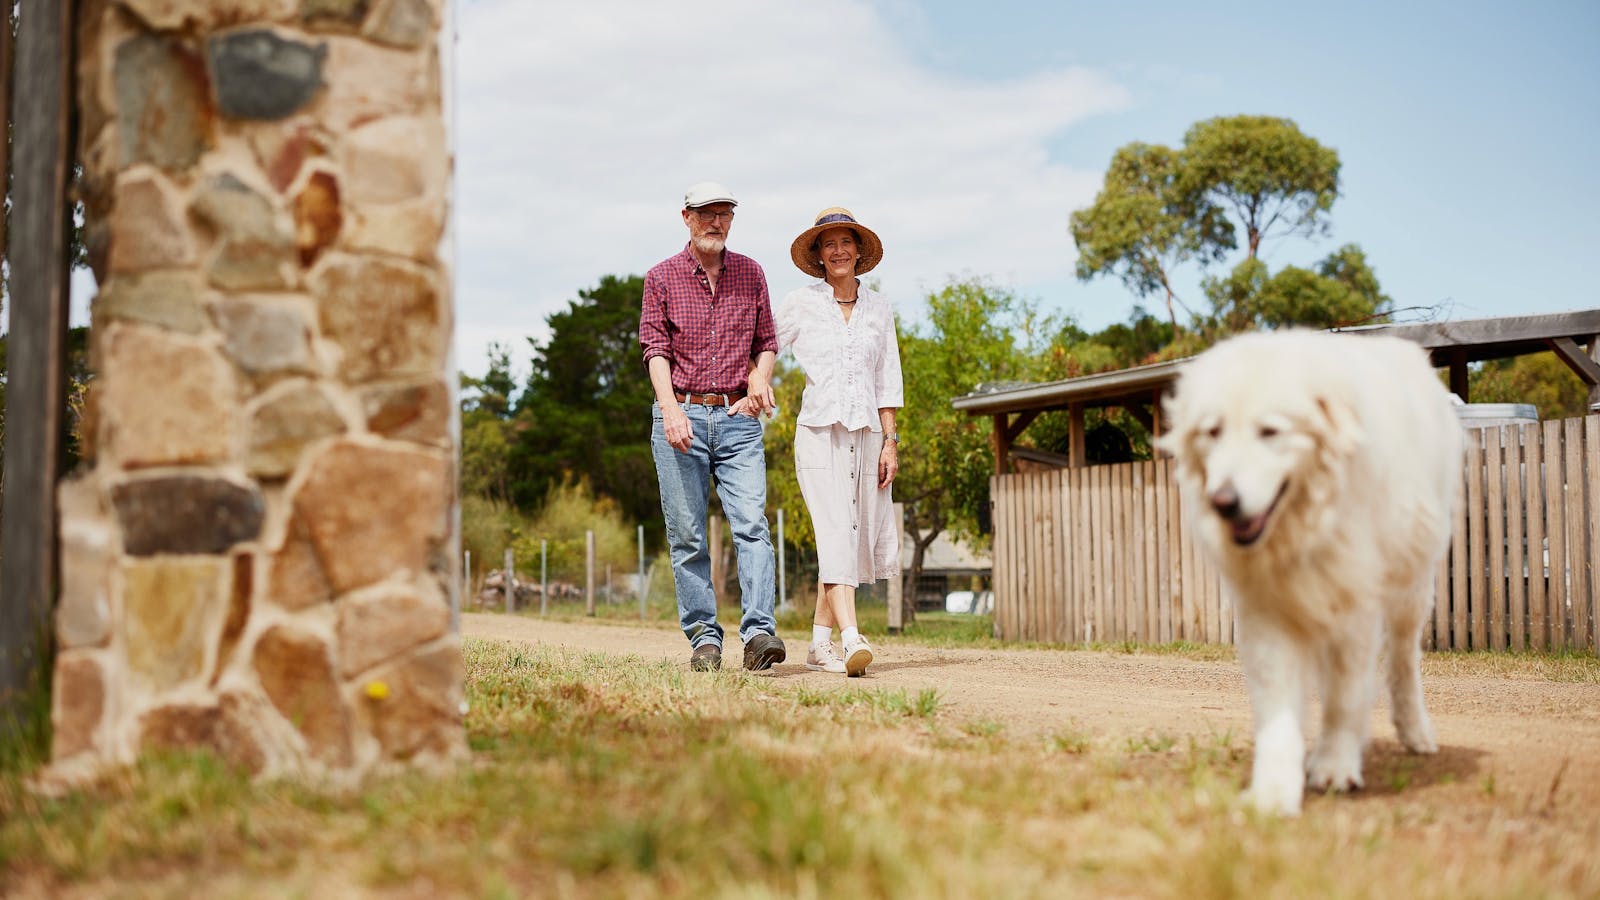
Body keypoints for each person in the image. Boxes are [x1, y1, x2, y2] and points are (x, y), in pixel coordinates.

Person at [639, 181, 786, 673]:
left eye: (723, 213)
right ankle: (704, 637)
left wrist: (760, 379)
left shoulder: (751, 273)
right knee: (687, 536)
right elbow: (654, 350)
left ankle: (760, 634)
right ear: (686, 217)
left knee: (752, 527)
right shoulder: (660, 277)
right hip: (678, 414)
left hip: (738, 418)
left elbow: (766, 340)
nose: (715, 222)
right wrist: (671, 408)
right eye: (706, 213)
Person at [774, 207, 903, 677]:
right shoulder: (800, 303)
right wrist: (756, 383)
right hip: (817, 433)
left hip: (867, 434)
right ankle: (851, 638)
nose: (838, 250)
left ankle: (817, 644)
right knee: (834, 533)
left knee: (851, 536)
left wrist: (890, 441)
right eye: (828, 244)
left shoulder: (879, 309)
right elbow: (764, 346)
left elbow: (888, 380)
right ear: (818, 255)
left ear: (858, 250)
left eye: (845, 241)